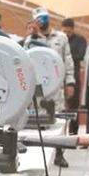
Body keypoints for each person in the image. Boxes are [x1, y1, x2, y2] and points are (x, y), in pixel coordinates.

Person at [22, 8, 75, 166]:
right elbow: (25, 60)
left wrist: (70, 82)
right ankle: (39, 153)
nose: (42, 22)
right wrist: (34, 36)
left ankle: (59, 153)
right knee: (38, 120)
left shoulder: (61, 37)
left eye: (43, 19)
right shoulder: (29, 40)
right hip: (38, 87)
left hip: (56, 86)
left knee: (58, 120)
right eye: (38, 20)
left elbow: (67, 60)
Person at [61, 18, 87, 137]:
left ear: (72, 29)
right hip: (59, 76)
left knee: (73, 105)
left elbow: (80, 56)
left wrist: (65, 55)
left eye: (69, 32)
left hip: (74, 77)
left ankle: (73, 132)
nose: (66, 34)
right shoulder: (59, 39)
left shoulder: (80, 40)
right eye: (64, 31)